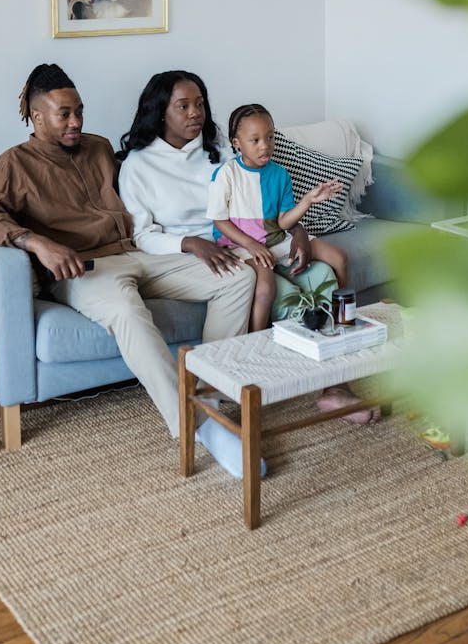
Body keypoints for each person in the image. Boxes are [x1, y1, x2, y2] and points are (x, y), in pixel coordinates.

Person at [0, 63, 259, 475]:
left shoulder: (99, 149)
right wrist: (35, 242)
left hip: (141, 255)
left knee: (239, 275)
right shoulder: (15, 164)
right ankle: (199, 425)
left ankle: (208, 394)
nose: (76, 121)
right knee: (127, 310)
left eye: (79, 110)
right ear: (36, 116)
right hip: (84, 269)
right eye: (65, 114)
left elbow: (152, 184)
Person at [118, 71, 378, 425]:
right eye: (183, 106)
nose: (196, 112)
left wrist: (300, 231)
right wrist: (192, 244)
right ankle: (255, 373)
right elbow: (142, 234)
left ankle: (336, 384)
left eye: (200, 104)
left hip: (263, 235)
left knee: (336, 262)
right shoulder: (138, 165)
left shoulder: (223, 152)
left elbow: (263, 207)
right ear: (160, 112)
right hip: (211, 250)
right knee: (265, 282)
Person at [208, 103, 349, 332]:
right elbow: (218, 220)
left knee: (340, 258)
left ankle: (340, 322)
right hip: (241, 247)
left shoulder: (280, 174)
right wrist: (252, 245)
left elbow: (284, 222)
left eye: (270, 137)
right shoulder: (226, 174)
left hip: (277, 240)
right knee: (265, 289)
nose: (265, 146)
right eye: (255, 140)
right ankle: (255, 341)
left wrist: (307, 201)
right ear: (237, 143)